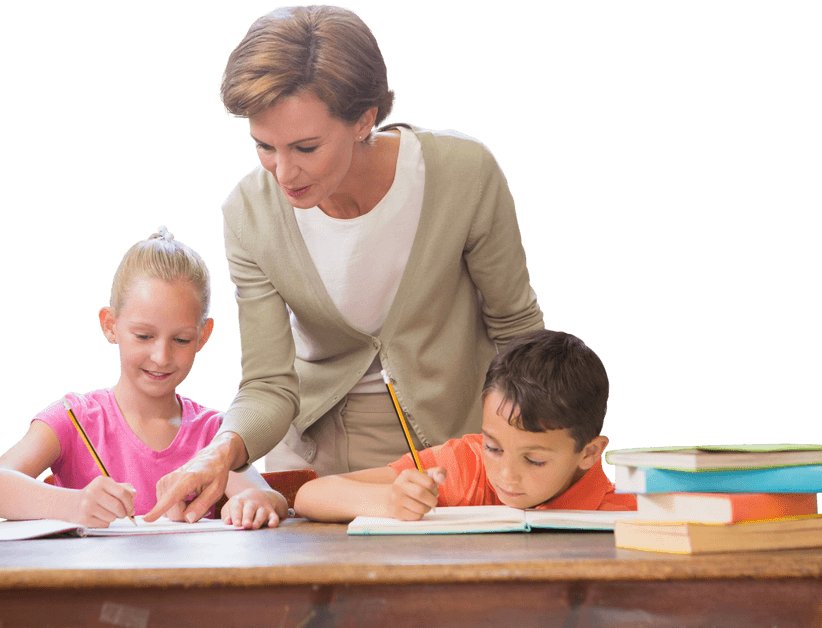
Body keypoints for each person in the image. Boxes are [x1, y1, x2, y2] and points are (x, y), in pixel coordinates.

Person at [144, 4, 543, 523]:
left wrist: (542, 455)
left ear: (364, 120)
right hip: (317, 482)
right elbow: (268, 384)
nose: (283, 173)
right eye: (263, 146)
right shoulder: (249, 213)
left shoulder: (462, 174)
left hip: (452, 468)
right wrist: (218, 454)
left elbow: (517, 333)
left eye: (306, 147)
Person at [0, 226, 288, 529]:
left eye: (181, 340)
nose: (161, 357)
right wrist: (73, 505)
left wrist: (257, 502)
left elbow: (268, 497)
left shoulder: (214, 433)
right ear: (110, 325)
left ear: (203, 336)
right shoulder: (74, 418)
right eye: (144, 336)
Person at [294, 329, 636, 521]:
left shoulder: (628, 511)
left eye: (534, 460)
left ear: (589, 453)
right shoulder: (465, 467)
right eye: (494, 448)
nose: (505, 475)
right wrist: (389, 502)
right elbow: (311, 496)